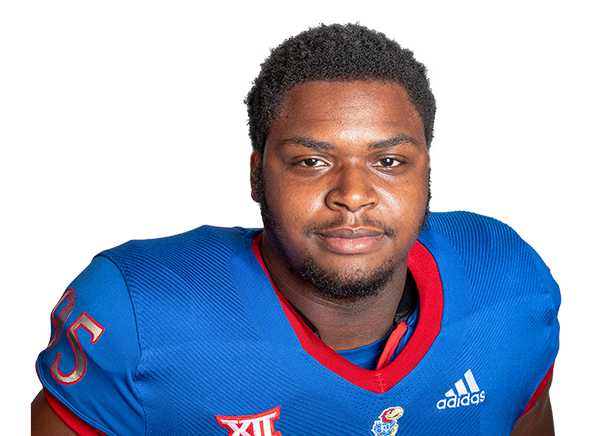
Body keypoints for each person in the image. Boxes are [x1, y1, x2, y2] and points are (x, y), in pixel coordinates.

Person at [31, 22, 560, 435]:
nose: (353, 194)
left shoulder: (507, 281)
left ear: (427, 170)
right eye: (311, 162)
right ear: (257, 172)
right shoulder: (140, 312)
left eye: (389, 162)